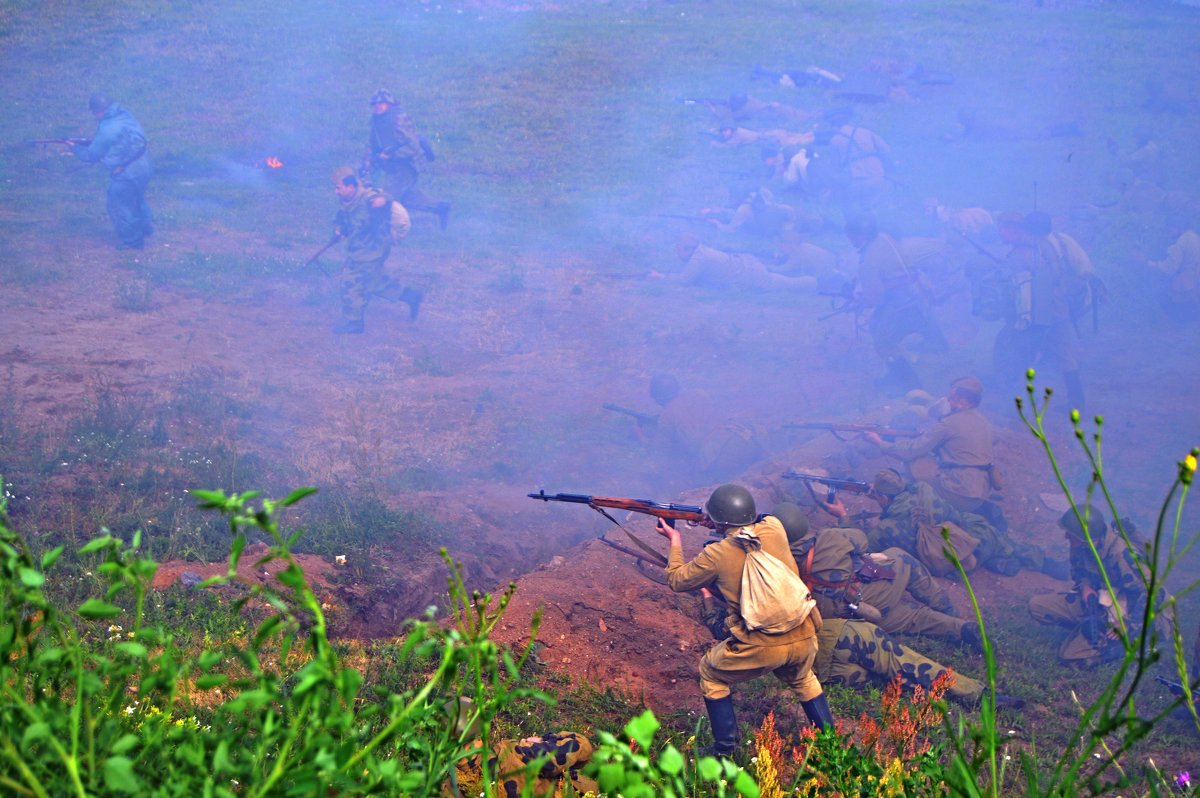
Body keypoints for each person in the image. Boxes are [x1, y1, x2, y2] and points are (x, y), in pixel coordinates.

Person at [656, 484, 833, 757]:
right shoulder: (775, 527)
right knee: (804, 679)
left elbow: (677, 580)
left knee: (710, 673)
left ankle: (724, 751)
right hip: (804, 633)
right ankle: (832, 748)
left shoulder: (716, 554)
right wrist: (720, 523)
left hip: (763, 644)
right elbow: (755, 522)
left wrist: (675, 540)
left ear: (719, 519)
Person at [775, 502, 975, 646]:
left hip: (841, 618)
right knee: (900, 557)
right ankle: (954, 618)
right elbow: (862, 541)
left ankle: (960, 629)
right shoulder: (829, 538)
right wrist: (843, 518)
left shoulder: (776, 561)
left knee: (914, 617)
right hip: (867, 598)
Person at [863, 376, 1004, 527]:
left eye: (950, 397)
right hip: (980, 493)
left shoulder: (949, 423)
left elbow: (912, 450)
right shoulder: (984, 422)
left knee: (918, 461)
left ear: (957, 395)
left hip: (959, 493)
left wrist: (879, 442)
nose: (948, 401)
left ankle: (910, 504)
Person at [852, 469, 1045, 577]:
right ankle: (1034, 560)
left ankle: (991, 562)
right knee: (981, 527)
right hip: (970, 544)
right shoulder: (923, 489)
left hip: (950, 569)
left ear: (883, 497)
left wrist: (844, 515)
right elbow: (955, 517)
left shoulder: (885, 529)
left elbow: (859, 547)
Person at [992, 212, 1088, 409]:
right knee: (1066, 355)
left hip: (1034, 316)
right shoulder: (1052, 246)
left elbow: (1014, 283)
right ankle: (1077, 400)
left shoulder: (1023, 252)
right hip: (1059, 310)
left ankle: (1021, 402)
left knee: (1021, 356)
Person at [1028, 506, 1145, 667]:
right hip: (1099, 603)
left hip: (1129, 613)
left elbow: (1152, 593)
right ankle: (1088, 630)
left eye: (1071, 534)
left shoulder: (1122, 556)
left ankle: (1122, 646)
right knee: (1037, 606)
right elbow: (1079, 571)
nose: (1066, 536)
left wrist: (1127, 624)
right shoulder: (1081, 546)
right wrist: (1085, 586)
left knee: (1069, 656)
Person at [845, 213, 947, 394]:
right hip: (918, 294)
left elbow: (874, 298)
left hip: (900, 303)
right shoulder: (884, 238)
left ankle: (910, 385)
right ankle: (937, 358)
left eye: (850, 236)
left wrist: (859, 303)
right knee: (883, 328)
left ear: (857, 236)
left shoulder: (869, 262)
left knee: (883, 341)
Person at [329, 167, 421, 334]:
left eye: (339, 187)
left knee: (352, 283)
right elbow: (342, 219)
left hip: (371, 250)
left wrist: (383, 200)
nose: (336, 191)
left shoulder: (367, 198)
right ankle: (410, 296)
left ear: (351, 187)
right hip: (360, 249)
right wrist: (339, 229)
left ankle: (354, 323)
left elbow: (386, 196)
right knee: (376, 282)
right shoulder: (348, 201)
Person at [648, 374, 767, 484]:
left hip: (720, 455)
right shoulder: (699, 393)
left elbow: (665, 449)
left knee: (697, 483)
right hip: (743, 437)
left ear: (659, 398)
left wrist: (645, 437)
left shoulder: (667, 415)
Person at [71, 93, 153, 250]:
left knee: (119, 204)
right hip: (145, 166)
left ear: (98, 111)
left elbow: (90, 156)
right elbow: (123, 139)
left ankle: (133, 241)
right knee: (137, 198)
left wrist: (74, 147)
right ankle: (145, 228)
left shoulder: (107, 127)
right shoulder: (125, 115)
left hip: (127, 172)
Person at [362, 89, 450, 230]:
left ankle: (379, 232)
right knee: (408, 197)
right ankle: (440, 207)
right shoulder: (376, 122)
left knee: (384, 197)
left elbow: (413, 146)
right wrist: (368, 162)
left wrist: (393, 155)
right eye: (376, 104)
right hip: (393, 167)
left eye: (382, 103)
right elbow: (372, 146)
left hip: (406, 166)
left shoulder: (398, 119)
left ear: (389, 105)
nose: (379, 106)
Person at [672, 234, 816, 292]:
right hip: (749, 266)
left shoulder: (698, 259)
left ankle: (819, 284)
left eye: (679, 250)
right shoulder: (703, 251)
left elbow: (684, 280)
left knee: (791, 285)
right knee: (786, 281)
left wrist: (659, 277)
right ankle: (817, 281)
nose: (678, 254)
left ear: (686, 249)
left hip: (749, 276)